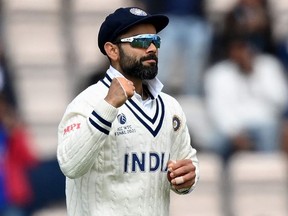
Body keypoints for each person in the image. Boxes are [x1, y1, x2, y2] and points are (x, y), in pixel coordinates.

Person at [57, 7, 199, 216]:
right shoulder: (86, 103)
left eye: (155, 41)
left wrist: (187, 179)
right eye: (141, 41)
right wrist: (108, 107)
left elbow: (186, 162)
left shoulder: (171, 108)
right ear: (112, 50)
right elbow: (70, 165)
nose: (151, 48)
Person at [204, 35, 288, 163]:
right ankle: (223, 180)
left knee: (268, 131)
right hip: (233, 126)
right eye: (237, 49)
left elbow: (281, 100)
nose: (241, 53)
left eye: (244, 48)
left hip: (264, 122)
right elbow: (217, 109)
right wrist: (234, 133)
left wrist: (255, 73)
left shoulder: (269, 66)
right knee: (216, 141)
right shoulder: (218, 74)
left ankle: (267, 173)